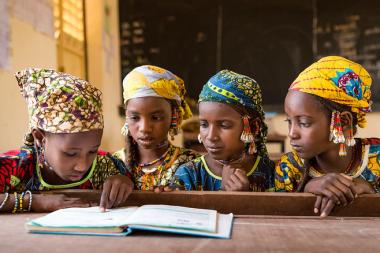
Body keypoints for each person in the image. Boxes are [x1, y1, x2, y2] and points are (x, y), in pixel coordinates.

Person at [0, 68, 133, 213]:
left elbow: (133, 186)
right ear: (40, 138)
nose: (82, 166)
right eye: (71, 153)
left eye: (92, 151)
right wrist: (33, 202)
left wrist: (124, 181)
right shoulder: (15, 167)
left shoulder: (106, 166)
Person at [275, 56, 380, 217]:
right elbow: (276, 217)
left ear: (343, 122)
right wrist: (308, 187)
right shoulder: (289, 167)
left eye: (303, 123)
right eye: (289, 122)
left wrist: (371, 190)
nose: (292, 133)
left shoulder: (377, 157)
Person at [171, 70, 275, 191]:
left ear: (253, 127)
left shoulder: (271, 173)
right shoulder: (189, 174)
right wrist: (224, 193)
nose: (211, 136)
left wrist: (247, 198)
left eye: (224, 125)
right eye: (204, 124)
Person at [114, 65, 198, 191]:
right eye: (135, 118)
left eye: (156, 118)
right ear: (127, 116)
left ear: (174, 116)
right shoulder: (114, 164)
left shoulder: (192, 164)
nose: (144, 128)